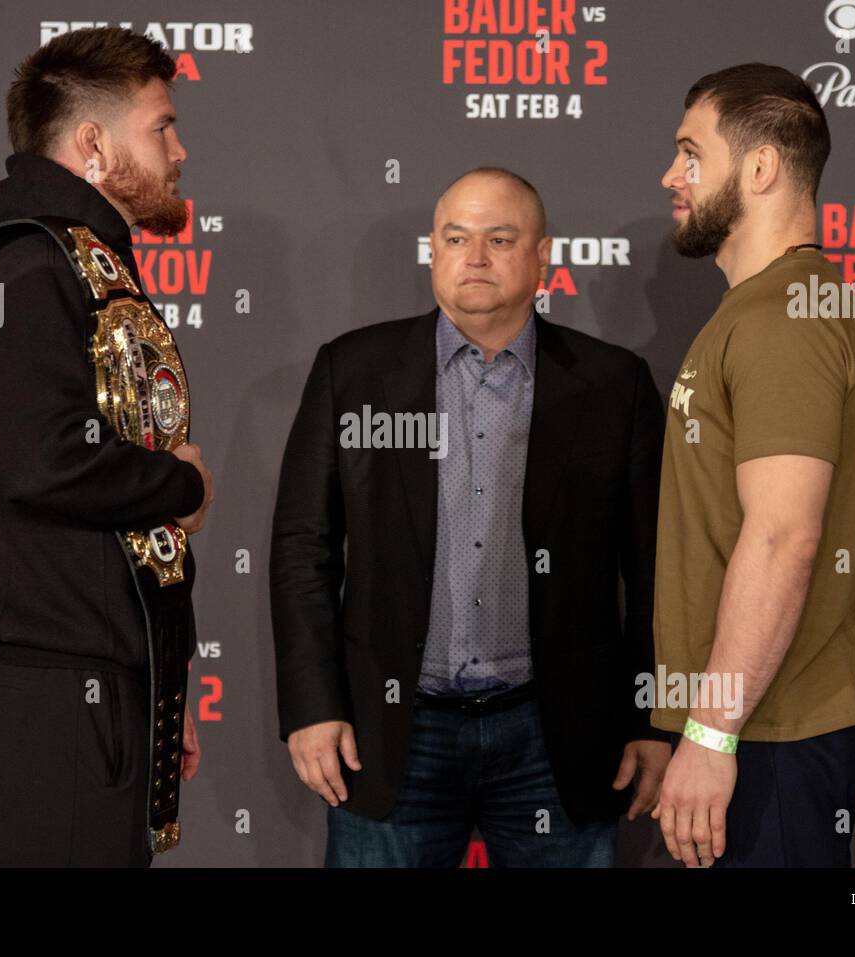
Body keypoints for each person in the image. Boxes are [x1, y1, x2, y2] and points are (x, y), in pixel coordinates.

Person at [271, 166, 670, 867]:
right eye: (456, 237)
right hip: (394, 729)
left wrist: (650, 717)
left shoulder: (615, 384)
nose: (474, 256)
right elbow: (304, 547)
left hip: (557, 734)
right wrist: (313, 704)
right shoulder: (353, 371)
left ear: (543, 255)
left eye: (499, 238)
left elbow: (653, 567)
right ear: (433, 248)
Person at [0, 27, 213, 866]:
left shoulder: (75, 257)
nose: (180, 151)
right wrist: (180, 483)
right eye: (162, 128)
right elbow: (46, 459)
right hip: (56, 693)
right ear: (94, 145)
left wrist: (162, 687)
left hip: (92, 681)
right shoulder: (35, 265)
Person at [651, 63, 855, 867]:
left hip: (771, 730)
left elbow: (785, 533)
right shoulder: (776, 305)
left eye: (691, 154)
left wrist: (712, 729)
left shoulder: (786, 313)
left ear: (759, 168)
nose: (670, 176)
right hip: (760, 725)